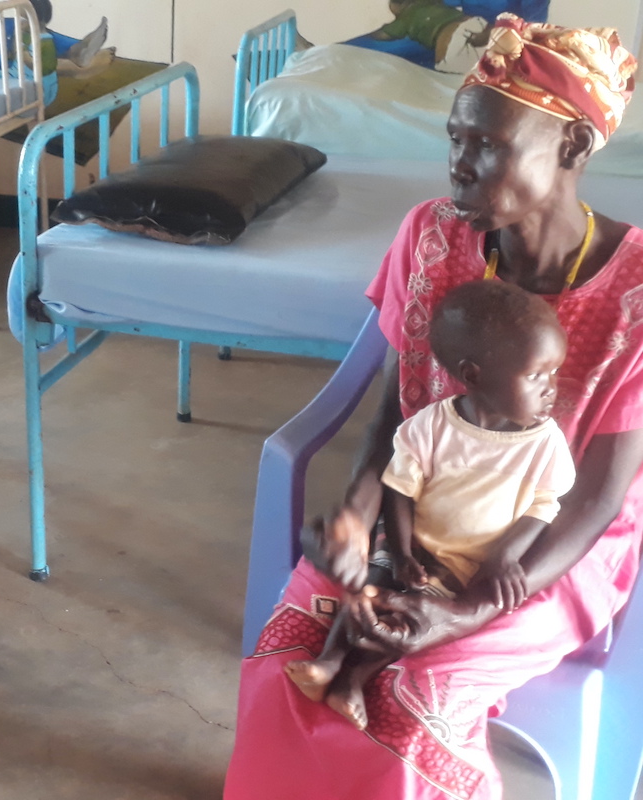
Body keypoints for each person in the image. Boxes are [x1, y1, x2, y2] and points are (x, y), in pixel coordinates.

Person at [224, 15, 639, 799]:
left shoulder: (635, 296)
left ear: (574, 150)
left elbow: (597, 500)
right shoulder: (430, 239)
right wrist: (355, 517)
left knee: (408, 702)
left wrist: (473, 608)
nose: (460, 167)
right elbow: (393, 420)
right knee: (289, 656)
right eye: (455, 140)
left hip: (544, 558)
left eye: (488, 147)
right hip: (419, 528)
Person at [283, 281, 575, 731]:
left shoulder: (546, 445)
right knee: (369, 592)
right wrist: (399, 553)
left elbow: (545, 505)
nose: (551, 388)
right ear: (474, 375)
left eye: (554, 373)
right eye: (536, 376)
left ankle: (353, 680)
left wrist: (505, 555)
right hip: (410, 546)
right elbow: (400, 490)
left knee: (407, 620)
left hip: (460, 566)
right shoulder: (433, 425)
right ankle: (329, 660)